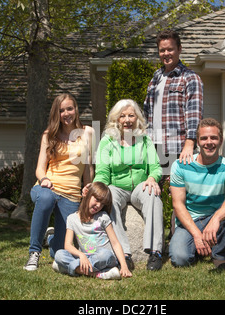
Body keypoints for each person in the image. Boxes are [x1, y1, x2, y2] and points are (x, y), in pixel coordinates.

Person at [83, 99, 164, 271]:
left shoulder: (145, 140)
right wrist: (97, 188)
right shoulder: (107, 141)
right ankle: (124, 254)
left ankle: (155, 252)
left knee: (153, 195)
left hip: (139, 186)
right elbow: (103, 172)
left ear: (137, 118)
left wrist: (151, 178)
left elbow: (155, 167)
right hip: (117, 187)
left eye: (131, 115)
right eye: (123, 116)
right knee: (109, 196)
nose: (127, 120)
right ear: (116, 119)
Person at [24, 93, 95, 271]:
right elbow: (40, 168)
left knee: (61, 253)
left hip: (71, 195)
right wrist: (44, 179)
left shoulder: (88, 132)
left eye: (69, 108)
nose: (66, 113)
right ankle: (34, 253)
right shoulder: (49, 135)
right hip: (48, 187)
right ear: (57, 113)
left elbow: (87, 166)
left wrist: (88, 188)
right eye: (61, 110)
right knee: (46, 199)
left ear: (76, 109)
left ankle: (52, 239)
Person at [168, 118, 225, 270]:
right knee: (180, 259)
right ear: (197, 141)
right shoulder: (180, 166)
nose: (209, 142)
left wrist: (216, 219)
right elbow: (178, 204)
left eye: (213, 138)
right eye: (204, 138)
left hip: (216, 219)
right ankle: (197, 244)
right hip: (190, 218)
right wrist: (197, 235)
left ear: (221, 141)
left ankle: (219, 254)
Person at [143, 29, 204, 168]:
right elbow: (146, 115)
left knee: (176, 189)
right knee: (154, 188)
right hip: (153, 148)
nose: (166, 54)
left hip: (178, 149)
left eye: (170, 49)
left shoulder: (189, 78)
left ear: (179, 49)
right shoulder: (155, 79)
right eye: (162, 50)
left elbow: (194, 114)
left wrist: (190, 143)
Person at [53, 182, 132, 280]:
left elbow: (115, 243)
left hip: (104, 258)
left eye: (102, 204)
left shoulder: (103, 217)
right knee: (59, 254)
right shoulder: (72, 219)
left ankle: (68, 268)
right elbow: (67, 245)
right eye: (97, 200)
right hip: (85, 257)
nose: (99, 205)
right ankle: (97, 274)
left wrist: (124, 266)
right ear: (86, 194)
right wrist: (81, 255)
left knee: (105, 254)